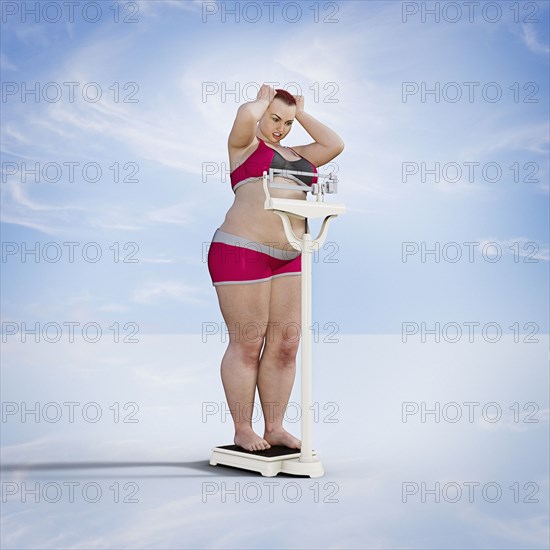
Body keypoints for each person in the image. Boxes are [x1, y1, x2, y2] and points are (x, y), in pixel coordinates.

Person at [207, 84, 344, 451]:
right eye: (275, 119)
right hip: (241, 250)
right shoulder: (245, 147)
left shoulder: (299, 155)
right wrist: (263, 103)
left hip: (292, 253)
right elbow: (246, 117)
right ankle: (242, 429)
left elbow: (334, 143)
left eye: (287, 122)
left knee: (286, 344)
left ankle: (275, 427)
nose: (280, 128)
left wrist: (297, 111)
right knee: (248, 343)